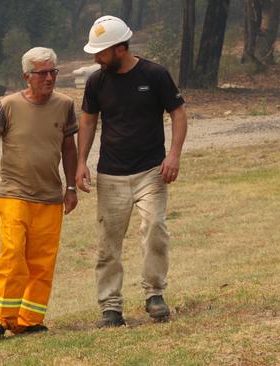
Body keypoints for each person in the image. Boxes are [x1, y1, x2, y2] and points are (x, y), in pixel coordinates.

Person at [0, 47, 79, 337]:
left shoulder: (65, 105)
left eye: (53, 72)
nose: (49, 78)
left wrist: (71, 186)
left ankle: (29, 320)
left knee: (42, 261)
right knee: (13, 254)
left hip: (49, 197)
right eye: (42, 73)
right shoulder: (8, 104)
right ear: (27, 76)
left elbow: (68, 147)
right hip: (14, 194)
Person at [76, 15, 188, 327]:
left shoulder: (154, 74)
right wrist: (81, 162)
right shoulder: (96, 81)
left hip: (151, 171)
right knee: (108, 242)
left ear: (120, 48)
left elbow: (178, 113)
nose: (96, 58)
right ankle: (110, 308)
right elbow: (88, 120)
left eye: (101, 52)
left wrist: (174, 156)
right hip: (110, 174)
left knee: (155, 228)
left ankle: (154, 294)